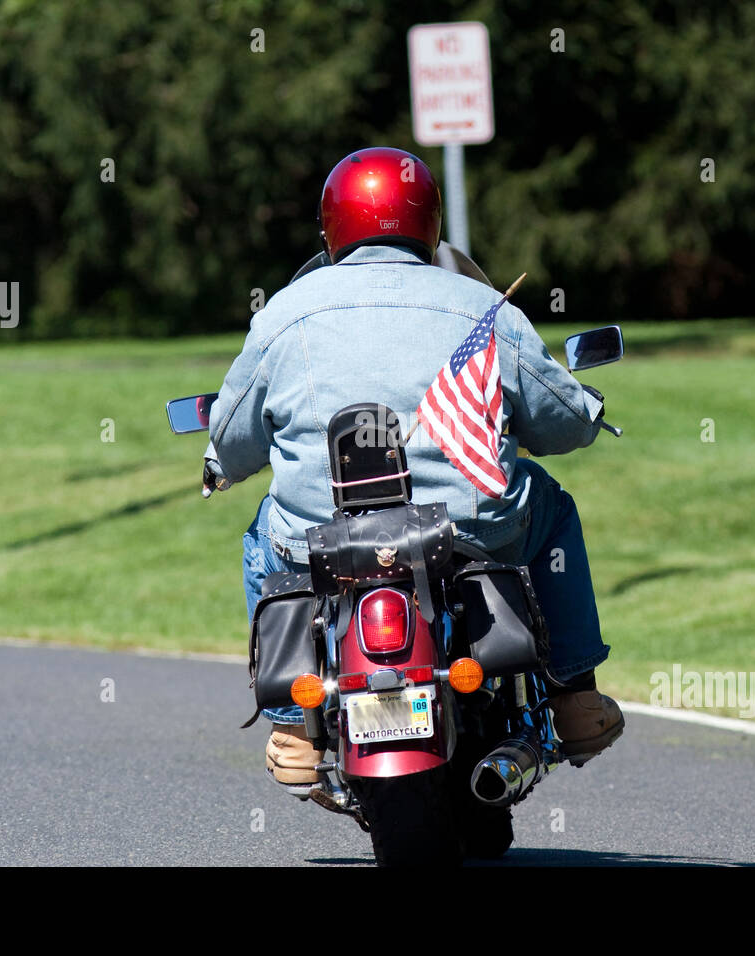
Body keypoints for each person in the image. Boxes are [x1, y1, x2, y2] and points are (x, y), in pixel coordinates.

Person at [205, 146, 623, 788]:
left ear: (332, 225)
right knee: (551, 504)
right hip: (467, 533)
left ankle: (292, 722)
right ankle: (576, 700)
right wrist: (585, 412)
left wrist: (219, 463)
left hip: (323, 541)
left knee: (266, 535)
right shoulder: (482, 308)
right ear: (429, 219)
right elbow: (560, 422)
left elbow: (233, 439)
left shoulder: (284, 314)